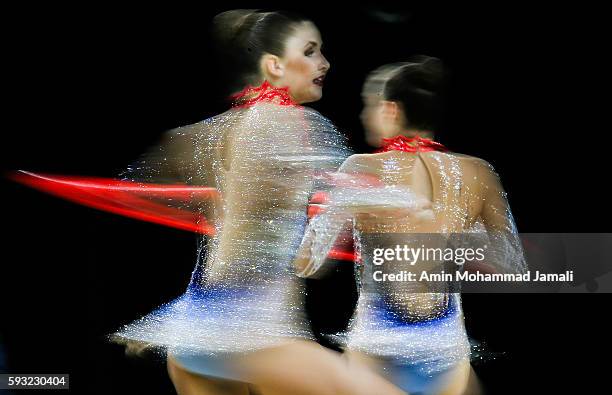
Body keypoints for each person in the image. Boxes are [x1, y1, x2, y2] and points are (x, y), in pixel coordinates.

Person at [114, 9, 406, 395]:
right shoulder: (298, 124)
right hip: (253, 333)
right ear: (274, 65)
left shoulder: (219, 129)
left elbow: (163, 192)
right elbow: (349, 201)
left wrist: (182, 320)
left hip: (195, 331)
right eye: (311, 51)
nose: (325, 63)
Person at [295, 56, 527, 395]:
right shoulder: (479, 172)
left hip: (377, 348)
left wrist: (321, 212)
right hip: (444, 353)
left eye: (367, 106)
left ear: (390, 110)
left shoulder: (359, 167)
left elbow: (308, 265)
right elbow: (513, 271)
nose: (363, 116)